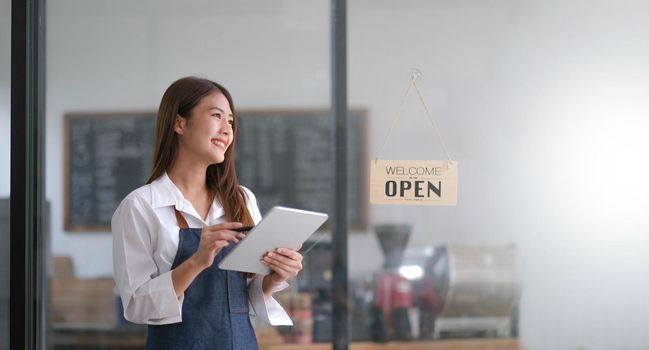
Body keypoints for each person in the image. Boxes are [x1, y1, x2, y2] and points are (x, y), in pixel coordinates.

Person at [112, 76, 303, 350]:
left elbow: (243, 297)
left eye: (231, 121)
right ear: (179, 123)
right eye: (216, 116)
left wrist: (275, 276)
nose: (227, 129)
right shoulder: (140, 207)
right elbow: (136, 305)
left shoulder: (241, 199)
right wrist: (196, 261)